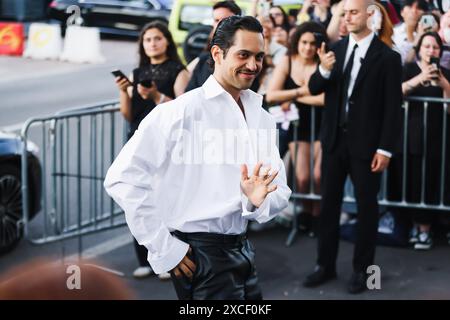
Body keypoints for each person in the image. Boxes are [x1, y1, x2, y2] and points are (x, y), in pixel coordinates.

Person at [104, 15, 292, 300]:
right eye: (243, 55)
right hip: (200, 256)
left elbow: (280, 191)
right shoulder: (179, 112)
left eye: (259, 56)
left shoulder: (261, 117)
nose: (253, 65)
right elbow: (122, 179)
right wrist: (165, 248)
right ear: (217, 54)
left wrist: (255, 201)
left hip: (243, 250)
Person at [302, 0, 402, 294]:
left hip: (368, 147)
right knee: (329, 207)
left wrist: (385, 149)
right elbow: (314, 88)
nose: (347, 17)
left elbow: (393, 109)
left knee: (367, 210)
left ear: (371, 15)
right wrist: (323, 69)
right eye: (344, 13)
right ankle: (324, 265)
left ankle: (365, 273)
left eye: (353, 12)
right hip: (334, 142)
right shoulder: (336, 50)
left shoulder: (388, 57)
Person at [114, 21, 189, 280]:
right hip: (138, 140)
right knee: (137, 199)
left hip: (167, 143)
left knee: (164, 201)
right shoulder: (138, 72)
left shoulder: (178, 71)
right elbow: (128, 113)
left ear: (167, 41)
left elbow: (184, 110)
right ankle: (144, 258)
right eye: (147, 40)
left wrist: (157, 96)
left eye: (157, 38)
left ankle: (169, 257)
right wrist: (125, 92)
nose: (153, 43)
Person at [266, 22, 326, 236]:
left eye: (313, 43)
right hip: (298, 126)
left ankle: (319, 216)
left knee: (318, 175)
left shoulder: (323, 63)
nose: (308, 47)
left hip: (322, 124)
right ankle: (306, 214)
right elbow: (272, 95)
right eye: (304, 42)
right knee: (301, 177)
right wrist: (304, 92)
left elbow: (325, 99)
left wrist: (294, 96)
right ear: (297, 42)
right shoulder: (288, 61)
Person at [397, 32, 450, 250]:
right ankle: (414, 225)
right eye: (427, 46)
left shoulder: (445, 72)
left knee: (430, 181)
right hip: (411, 135)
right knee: (411, 180)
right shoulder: (408, 69)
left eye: (435, 47)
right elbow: (395, 93)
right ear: (419, 49)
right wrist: (420, 79)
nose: (431, 51)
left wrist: (444, 83)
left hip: (438, 136)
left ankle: (425, 229)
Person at [185, 1, 242, 91]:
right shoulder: (204, 59)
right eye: (216, 20)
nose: (219, 24)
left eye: (225, 20)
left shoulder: (244, 58)